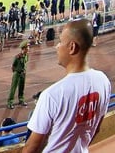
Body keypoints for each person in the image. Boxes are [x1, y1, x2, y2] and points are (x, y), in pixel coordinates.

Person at [23, 19, 111, 153]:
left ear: (72, 47)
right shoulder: (103, 81)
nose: (56, 46)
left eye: (60, 42)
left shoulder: (52, 95)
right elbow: (96, 128)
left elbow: (32, 148)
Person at [7, 40, 29, 109]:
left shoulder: (26, 55)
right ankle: (10, 102)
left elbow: (25, 63)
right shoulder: (17, 57)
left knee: (21, 87)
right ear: (24, 48)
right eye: (27, 47)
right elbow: (13, 66)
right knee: (13, 88)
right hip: (17, 73)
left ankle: (21, 100)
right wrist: (16, 72)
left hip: (23, 73)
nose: (28, 49)